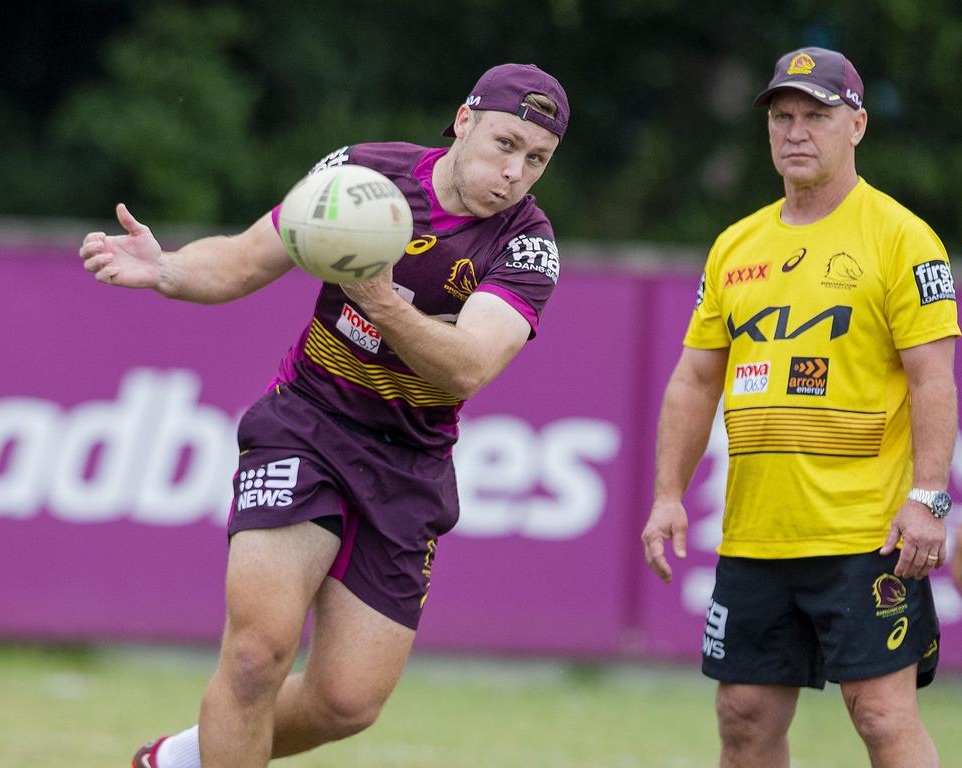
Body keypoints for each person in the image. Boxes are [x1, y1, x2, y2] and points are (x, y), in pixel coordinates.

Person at [79, 63, 568, 768]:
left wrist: (381, 298)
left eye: (536, 160)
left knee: (347, 703)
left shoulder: (526, 243)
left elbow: (467, 366)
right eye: (505, 143)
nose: (514, 172)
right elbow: (245, 261)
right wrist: (167, 270)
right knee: (256, 656)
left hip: (409, 464)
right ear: (464, 120)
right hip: (307, 424)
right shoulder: (360, 177)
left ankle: (181, 758)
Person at [641, 47, 958, 768]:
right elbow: (695, 379)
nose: (796, 131)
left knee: (881, 716)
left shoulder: (902, 237)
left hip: (865, 536)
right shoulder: (736, 244)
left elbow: (933, 381)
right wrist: (667, 495)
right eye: (783, 116)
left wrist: (929, 500)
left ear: (858, 126)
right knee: (744, 719)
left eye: (817, 115)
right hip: (757, 533)